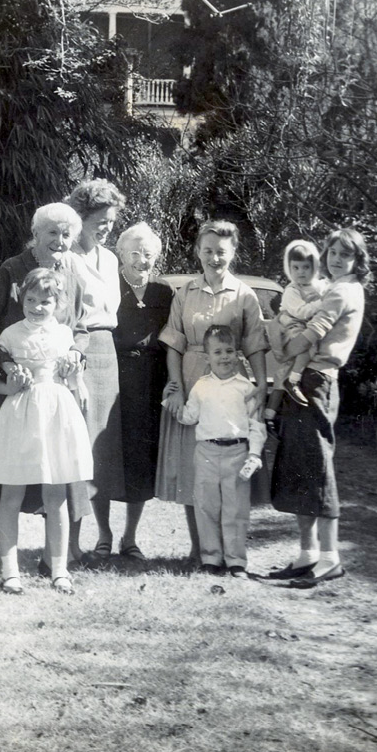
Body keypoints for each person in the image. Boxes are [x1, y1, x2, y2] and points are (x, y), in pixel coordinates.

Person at [0, 202, 92, 531]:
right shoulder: (12, 270)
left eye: (66, 234)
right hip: (10, 388)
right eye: (52, 233)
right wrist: (3, 364)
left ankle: (58, 554)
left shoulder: (72, 277)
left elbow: (81, 328)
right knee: (10, 473)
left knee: (57, 471)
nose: (59, 240)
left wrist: (75, 351)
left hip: (54, 391)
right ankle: (11, 556)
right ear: (34, 234)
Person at [156, 219, 268, 561]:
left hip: (230, 388)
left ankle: (229, 549)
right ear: (198, 252)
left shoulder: (244, 294)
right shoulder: (185, 293)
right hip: (193, 384)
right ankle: (200, 548)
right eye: (207, 251)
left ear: (232, 252)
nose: (214, 258)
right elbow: (173, 343)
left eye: (221, 251)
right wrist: (175, 389)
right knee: (196, 467)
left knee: (229, 469)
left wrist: (261, 386)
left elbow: (254, 345)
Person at [268, 225, 370, 588]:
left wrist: (281, 341)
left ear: (358, 260)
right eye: (333, 253)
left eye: (346, 254)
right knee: (300, 464)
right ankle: (308, 554)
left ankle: (330, 559)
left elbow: (311, 335)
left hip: (317, 380)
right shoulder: (334, 288)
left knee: (317, 466)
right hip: (307, 379)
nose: (337, 260)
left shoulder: (343, 291)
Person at [0, 269, 93, 595]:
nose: (37, 307)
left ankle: (60, 569)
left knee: (55, 495)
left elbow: (72, 383)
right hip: (20, 413)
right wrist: (10, 384)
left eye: (45, 301)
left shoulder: (64, 337)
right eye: (31, 300)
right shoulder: (10, 335)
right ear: (21, 298)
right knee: (11, 494)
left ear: (58, 303)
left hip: (56, 413)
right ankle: (10, 570)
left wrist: (74, 376)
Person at [168, 325, 266, 577]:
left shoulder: (245, 388)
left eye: (229, 351)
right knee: (206, 506)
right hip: (206, 454)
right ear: (207, 357)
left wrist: (254, 454)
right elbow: (189, 417)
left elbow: (256, 424)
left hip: (237, 453)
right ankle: (210, 558)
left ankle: (236, 561)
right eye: (218, 352)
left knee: (235, 510)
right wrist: (170, 400)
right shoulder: (201, 386)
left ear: (237, 355)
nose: (224, 357)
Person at [65, 178, 126, 566]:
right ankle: (69, 543)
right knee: (75, 448)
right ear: (81, 217)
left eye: (111, 221)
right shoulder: (67, 256)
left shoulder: (111, 258)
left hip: (108, 354)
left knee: (101, 449)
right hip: (79, 350)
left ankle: (103, 536)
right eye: (99, 220)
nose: (105, 227)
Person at [104, 223, 173, 560]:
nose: (142, 260)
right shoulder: (108, 286)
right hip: (112, 378)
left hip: (150, 385)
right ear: (121, 254)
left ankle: (129, 538)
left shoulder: (164, 293)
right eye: (135, 253)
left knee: (140, 463)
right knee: (104, 454)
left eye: (148, 254)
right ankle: (104, 535)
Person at [265, 239, 327, 415]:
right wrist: (321, 304)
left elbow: (327, 290)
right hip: (291, 323)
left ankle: (270, 412)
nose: (301, 272)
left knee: (286, 368)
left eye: (306, 267)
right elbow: (300, 312)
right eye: (296, 268)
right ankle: (294, 380)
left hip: (303, 322)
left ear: (314, 267)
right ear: (289, 268)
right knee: (306, 344)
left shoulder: (317, 285)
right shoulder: (291, 290)